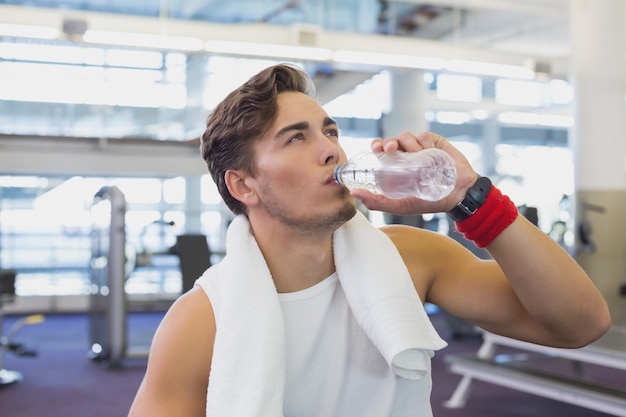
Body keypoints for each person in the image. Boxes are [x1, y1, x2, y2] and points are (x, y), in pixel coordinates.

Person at [128, 63, 611, 417]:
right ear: (243, 185)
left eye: (329, 130)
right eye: (296, 137)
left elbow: (579, 325)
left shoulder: (409, 257)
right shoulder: (200, 320)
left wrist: (471, 198)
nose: (330, 149)